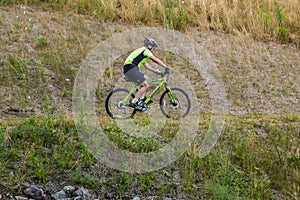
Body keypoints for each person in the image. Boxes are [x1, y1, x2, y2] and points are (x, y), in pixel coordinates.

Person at [123, 37, 169, 110]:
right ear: (149, 46)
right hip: (131, 68)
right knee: (146, 85)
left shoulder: (141, 51)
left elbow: (147, 65)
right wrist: (166, 67)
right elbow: (156, 60)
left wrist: (156, 71)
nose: (153, 49)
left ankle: (142, 98)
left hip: (129, 68)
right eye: (153, 47)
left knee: (146, 78)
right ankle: (134, 101)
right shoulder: (146, 50)